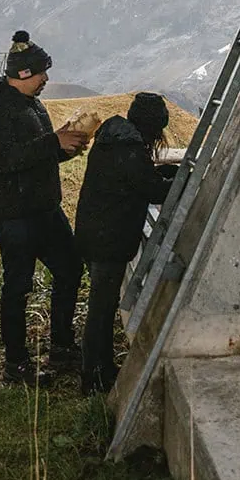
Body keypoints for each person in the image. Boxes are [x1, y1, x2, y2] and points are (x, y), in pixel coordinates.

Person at [0, 30, 89, 384]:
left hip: (44, 209)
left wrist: (63, 149)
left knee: (70, 270)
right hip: (13, 216)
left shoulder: (33, 105)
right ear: (23, 74)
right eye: (41, 73)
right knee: (18, 286)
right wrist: (52, 142)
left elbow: (38, 153)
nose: (46, 80)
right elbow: (6, 159)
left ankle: (62, 348)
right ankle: (17, 364)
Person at [74, 92, 173, 395]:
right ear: (152, 126)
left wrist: (164, 173)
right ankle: (92, 378)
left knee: (102, 307)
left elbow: (138, 178)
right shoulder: (129, 149)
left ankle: (101, 368)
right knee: (101, 309)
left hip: (96, 235)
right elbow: (152, 189)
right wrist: (178, 180)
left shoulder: (115, 140)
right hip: (108, 240)